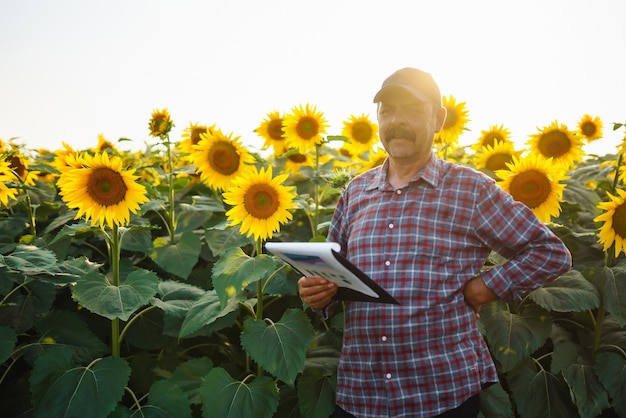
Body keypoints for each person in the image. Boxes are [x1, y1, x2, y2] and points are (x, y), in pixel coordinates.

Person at [297, 67, 572, 418]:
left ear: (439, 119)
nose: (397, 121)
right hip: (361, 394)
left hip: (440, 393)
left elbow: (549, 252)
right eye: (388, 111)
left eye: (413, 110)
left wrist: (485, 287)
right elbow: (332, 274)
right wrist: (316, 292)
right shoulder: (356, 193)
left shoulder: (469, 190)